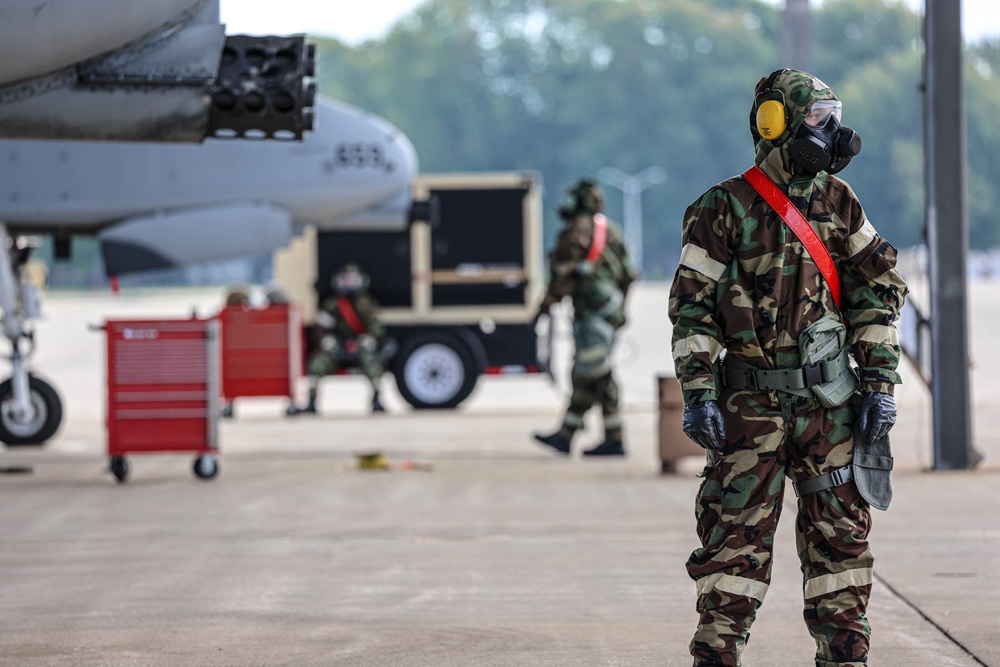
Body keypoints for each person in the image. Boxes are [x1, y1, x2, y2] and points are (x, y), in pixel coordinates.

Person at [669, 69, 908, 667]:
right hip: (748, 409)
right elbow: (692, 308)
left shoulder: (838, 201)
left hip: (829, 404)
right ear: (775, 123)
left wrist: (880, 383)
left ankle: (845, 656)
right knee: (732, 549)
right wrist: (698, 392)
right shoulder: (721, 208)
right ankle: (717, 656)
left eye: (833, 116)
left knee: (841, 543)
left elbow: (875, 296)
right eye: (818, 118)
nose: (832, 131)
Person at [533, 178, 638, 457]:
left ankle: (572, 436)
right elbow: (629, 275)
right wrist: (622, 310)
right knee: (598, 375)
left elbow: (561, 281)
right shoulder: (611, 232)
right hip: (610, 313)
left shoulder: (573, 235)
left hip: (592, 317)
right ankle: (604, 437)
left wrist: (542, 309)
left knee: (590, 374)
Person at [287, 263, 392, 415]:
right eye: (347, 279)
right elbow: (321, 327)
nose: (350, 282)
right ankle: (311, 401)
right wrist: (326, 339)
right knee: (317, 364)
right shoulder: (333, 304)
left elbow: (376, 326)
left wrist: (369, 338)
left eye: (353, 279)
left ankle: (376, 399)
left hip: (360, 346)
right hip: (337, 347)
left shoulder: (367, 304)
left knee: (372, 363)